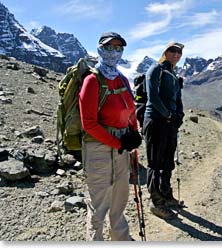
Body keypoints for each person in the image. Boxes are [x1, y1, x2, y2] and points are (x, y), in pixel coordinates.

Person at [79, 31, 141, 241]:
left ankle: (121, 240)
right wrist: (118, 143)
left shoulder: (122, 79)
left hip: (122, 146)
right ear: (99, 49)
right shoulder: (92, 81)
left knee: (119, 200)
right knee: (98, 206)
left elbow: (130, 109)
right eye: (109, 47)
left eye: (118, 48)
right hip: (99, 148)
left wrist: (134, 132)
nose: (114, 52)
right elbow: (88, 124)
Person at [143, 42, 185, 219]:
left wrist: (179, 115)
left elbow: (177, 98)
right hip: (156, 121)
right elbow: (152, 96)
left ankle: (167, 196)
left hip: (169, 123)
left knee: (168, 161)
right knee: (155, 163)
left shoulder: (173, 74)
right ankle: (156, 202)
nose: (176, 54)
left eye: (179, 52)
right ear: (165, 52)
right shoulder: (156, 69)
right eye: (173, 50)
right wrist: (168, 115)